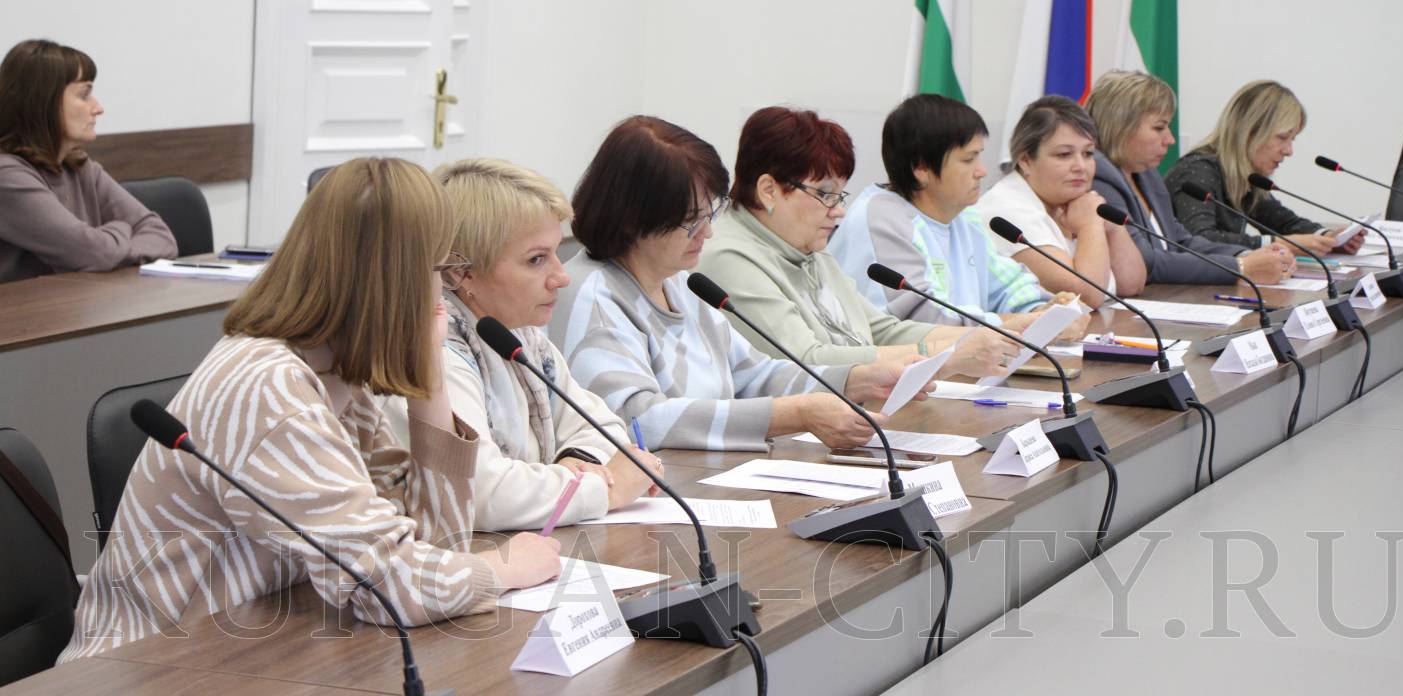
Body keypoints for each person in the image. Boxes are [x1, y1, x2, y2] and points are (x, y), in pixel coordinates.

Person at [60, 158, 560, 662]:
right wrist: (502, 568)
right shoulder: (267, 391)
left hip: (247, 652)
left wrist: (428, 379)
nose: (442, 294)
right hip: (142, 670)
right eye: (439, 270)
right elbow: (389, 586)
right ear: (394, 281)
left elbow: (435, 545)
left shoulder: (336, 375)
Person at [550, 115, 917, 454]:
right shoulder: (592, 296)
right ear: (633, 219)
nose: (707, 233)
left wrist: (857, 379)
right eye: (691, 221)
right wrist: (798, 414)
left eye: (710, 214)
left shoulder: (679, 282)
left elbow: (755, 374)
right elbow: (639, 421)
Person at [383, 158, 659, 532]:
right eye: (536, 260)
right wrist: (603, 491)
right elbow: (481, 494)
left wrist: (576, 461)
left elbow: (602, 426)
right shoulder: (433, 349)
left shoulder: (520, 335)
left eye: (556, 253)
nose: (561, 277)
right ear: (461, 272)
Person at [700, 106, 1020, 377]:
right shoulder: (729, 257)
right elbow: (806, 360)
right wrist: (944, 356)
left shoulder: (806, 248)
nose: (838, 210)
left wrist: (985, 337)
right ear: (769, 190)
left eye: (839, 195)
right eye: (825, 193)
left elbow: (880, 330)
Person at [827, 93, 1068, 330]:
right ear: (921, 168)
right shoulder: (882, 219)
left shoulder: (962, 216)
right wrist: (1017, 324)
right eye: (968, 160)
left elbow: (1008, 285)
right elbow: (922, 320)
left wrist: (1041, 311)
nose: (981, 171)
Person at [1085, 70, 1296, 284]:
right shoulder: (1099, 178)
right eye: (1159, 128)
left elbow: (1181, 241)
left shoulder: (1146, 174)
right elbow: (1144, 261)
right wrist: (1240, 268)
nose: (1170, 139)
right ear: (1120, 126)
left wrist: (1247, 255)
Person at [0, 39, 177, 283]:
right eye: (84, 95)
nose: (98, 108)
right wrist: (121, 228)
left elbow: (163, 238)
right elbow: (93, 254)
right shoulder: (7, 176)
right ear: (43, 101)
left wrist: (106, 244)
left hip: (78, 303)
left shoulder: (81, 168)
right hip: (28, 309)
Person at [976, 96, 1147, 307]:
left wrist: (1112, 229)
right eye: (1064, 155)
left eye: (1088, 153)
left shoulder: (1075, 203)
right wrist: (1090, 225)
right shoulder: (1006, 209)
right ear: (1025, 161)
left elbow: (1132, 284)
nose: (1081, 166)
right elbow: (1086, 297)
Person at [1164, 80, 1365, 257]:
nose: (1289, 151)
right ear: (1249, 132)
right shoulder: (1197, 170)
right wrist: (1280, 244)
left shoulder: (1246, 175)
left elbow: (1284, 223)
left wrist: (1329, 238)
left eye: (1292, 139)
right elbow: (1200, 240)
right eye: (1282, 138)